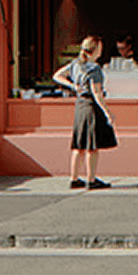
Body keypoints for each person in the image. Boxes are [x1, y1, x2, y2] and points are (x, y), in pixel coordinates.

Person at [54, 34, 113, 191]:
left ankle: (74, 178)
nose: (101, 50)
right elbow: (97, 93)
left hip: (80, 105)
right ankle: (91, 179)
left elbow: (57, 76)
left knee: (78, 144)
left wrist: (73, 86)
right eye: (100, 48)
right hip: (91, 106)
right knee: (91, 146)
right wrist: (107, 112)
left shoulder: (75, 64)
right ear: (94, 50)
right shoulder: (94, 69)